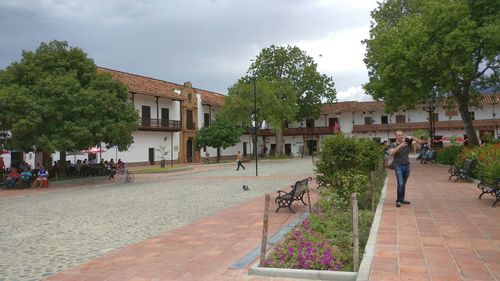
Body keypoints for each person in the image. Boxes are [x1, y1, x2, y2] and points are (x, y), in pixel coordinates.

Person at [389, 130, 424, 207]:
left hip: (407, 166)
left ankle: (402, 199)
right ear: (395, 136)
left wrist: (413, 137)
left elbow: (420, 142)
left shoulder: (408, 143)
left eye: (401, 135)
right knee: (400, 183)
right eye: (399, 135)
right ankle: (398, 201)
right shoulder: (393, 144)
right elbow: (391, 153)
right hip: (398, 166)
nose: (401, 136)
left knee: (403, 184)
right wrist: (400, 146)